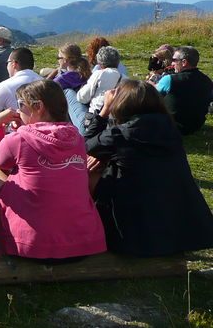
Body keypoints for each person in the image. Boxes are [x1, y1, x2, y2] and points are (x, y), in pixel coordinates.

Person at [85, 80, 213, 255]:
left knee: (89, 169)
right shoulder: (170, 129)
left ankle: (90, 226)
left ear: (122, 104)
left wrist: (105, 110)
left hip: (132, 233)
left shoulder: (120, 134)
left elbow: (84, 145)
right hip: (174, 226)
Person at [0, 80, 106, 261]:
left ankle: (3, 231)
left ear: (38, 107)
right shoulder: (77, 138)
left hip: (30, 247)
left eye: (21, 105)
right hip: (81, 246)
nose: (18, 111)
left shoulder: (18, 139)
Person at [0, 48, 41, 129]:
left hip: (17, 135)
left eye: (7, 63)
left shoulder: (5, 86)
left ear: (14, 64)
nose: (7, 66)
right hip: (45, 134)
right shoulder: (46, 82)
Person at [155, 46, 213, 135]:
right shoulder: (207, 81)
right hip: (195, 126)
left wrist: (150, 84)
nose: (172, 63)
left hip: (170, 126)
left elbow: (150, 95)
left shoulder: (170, 79)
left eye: (174, 60)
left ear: (184, 62)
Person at [77, 46, 123, 116]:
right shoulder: (126, 79)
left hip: (94, 121)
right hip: (116, 120)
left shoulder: (99, 74)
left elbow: (82, 98)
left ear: (100, 63)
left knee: (68, 92)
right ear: (118, 62)